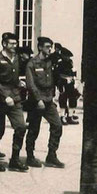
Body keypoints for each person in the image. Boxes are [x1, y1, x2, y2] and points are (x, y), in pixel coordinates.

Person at [0, 33, 29, 172]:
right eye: (11, 43)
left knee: (21, 127)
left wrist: (19, 82)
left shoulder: (16, 58)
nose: (14, 45)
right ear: (4, 44)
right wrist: (5, 96)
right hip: (0, 100)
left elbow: (13, 77)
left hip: (15, 98)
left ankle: (15, 160)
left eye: (15, 43)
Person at [25, 36, 65, 168]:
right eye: (47, 47)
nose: (50, 49)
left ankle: (51, 155)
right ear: (40, 47)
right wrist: (38, 99)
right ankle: (30, 156)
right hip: (36, 102)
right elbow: (31, 84)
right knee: (33, 129)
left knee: (57, 125)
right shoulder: (32, 63)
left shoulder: (50, 62)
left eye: (51, 47)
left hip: (48, 100)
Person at [56, 47, 80, 125]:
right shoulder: (60, 63)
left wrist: (74, 79)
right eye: (66, 56)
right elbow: (57, 74)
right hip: (63, 83)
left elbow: (73, 72)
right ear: (62, 56)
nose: (68, 58)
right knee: (63, 100)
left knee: (73, 99)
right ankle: (62, 116)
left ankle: (70, 116)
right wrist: (64, 79)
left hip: (71, 83)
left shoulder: (70, 62)